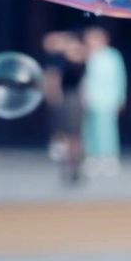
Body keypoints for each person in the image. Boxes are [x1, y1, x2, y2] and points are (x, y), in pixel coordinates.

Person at [42, 31, 87, 187]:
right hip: (68, 99)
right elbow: (53, 79)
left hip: (73, 99)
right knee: (65, 136)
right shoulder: (58, 59)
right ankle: (68, 168)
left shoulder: (77, 58)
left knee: (74, 136)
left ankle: (75, 168)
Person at [81, 25, 127, 177]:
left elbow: (119, 78)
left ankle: (109, 159)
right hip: (90, 98)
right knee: (90, 130)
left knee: (107, 130)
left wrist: (120, 98)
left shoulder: (112, 56)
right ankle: (92, 159)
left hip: (107, 99)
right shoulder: (87, 55)